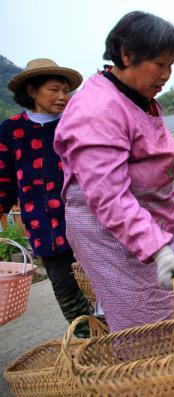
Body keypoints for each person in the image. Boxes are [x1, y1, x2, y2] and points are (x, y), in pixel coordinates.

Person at [54, 11, 174, 332]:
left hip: (151, 226)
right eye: (160, 64)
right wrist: (156, 248)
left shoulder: (139, 97)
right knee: (143, 323)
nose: (166, 75)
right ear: (126, 55)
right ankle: (148, 379)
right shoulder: (97, 108)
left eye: (171, 66)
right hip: (112, 234)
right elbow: (108, 195)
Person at [0, 59, 93, 337]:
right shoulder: (10, 131)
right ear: (32, 90)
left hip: (86, 223)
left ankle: (117, 342)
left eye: (66, 90)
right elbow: (3, 180)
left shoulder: (76, 124)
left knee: (102, 286)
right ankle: (91, 342)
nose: (63, 96)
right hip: (45, 230)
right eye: (54, 89)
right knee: (67, 295)